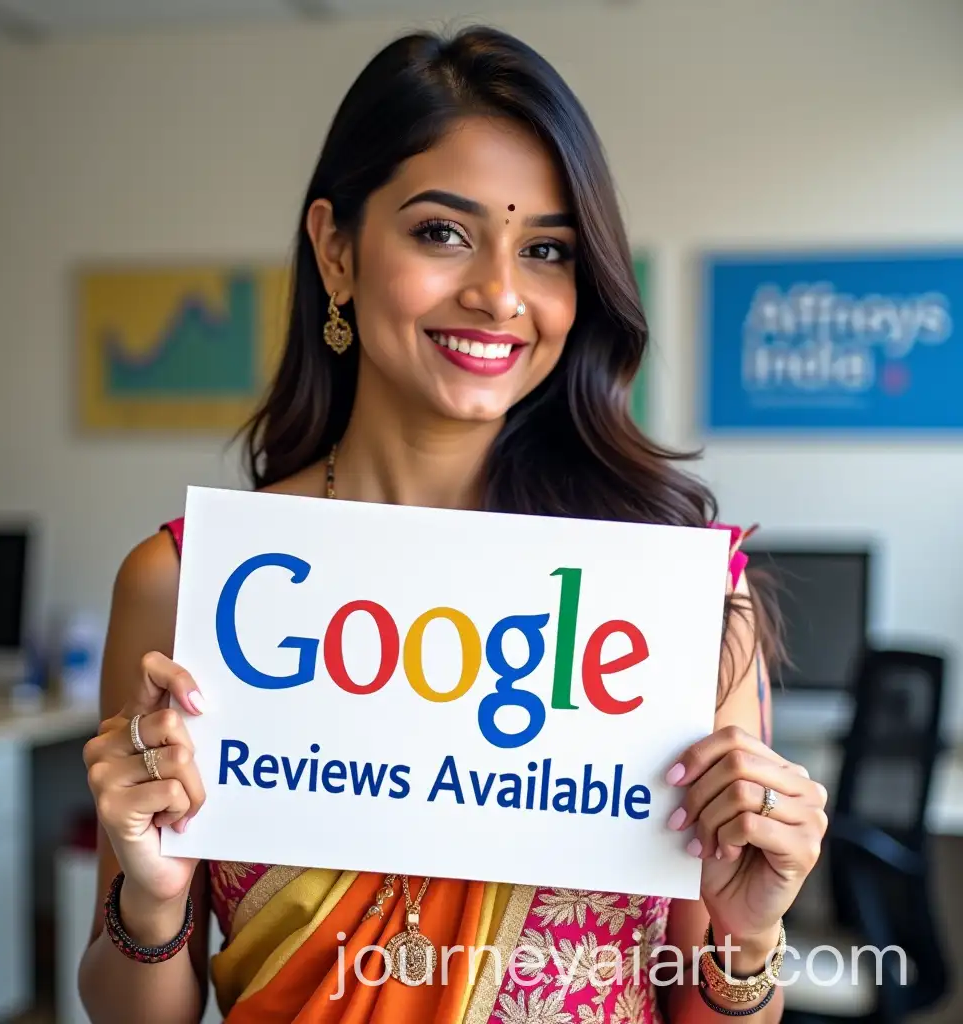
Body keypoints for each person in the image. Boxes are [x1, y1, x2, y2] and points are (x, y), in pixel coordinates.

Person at [78, 25, 827, 1024]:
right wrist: (152, 889)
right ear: (335, 250)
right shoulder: (187, 585)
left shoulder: (668, 599)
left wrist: (748, 933)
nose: (500, 294)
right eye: (442, 232)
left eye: (546, 249)